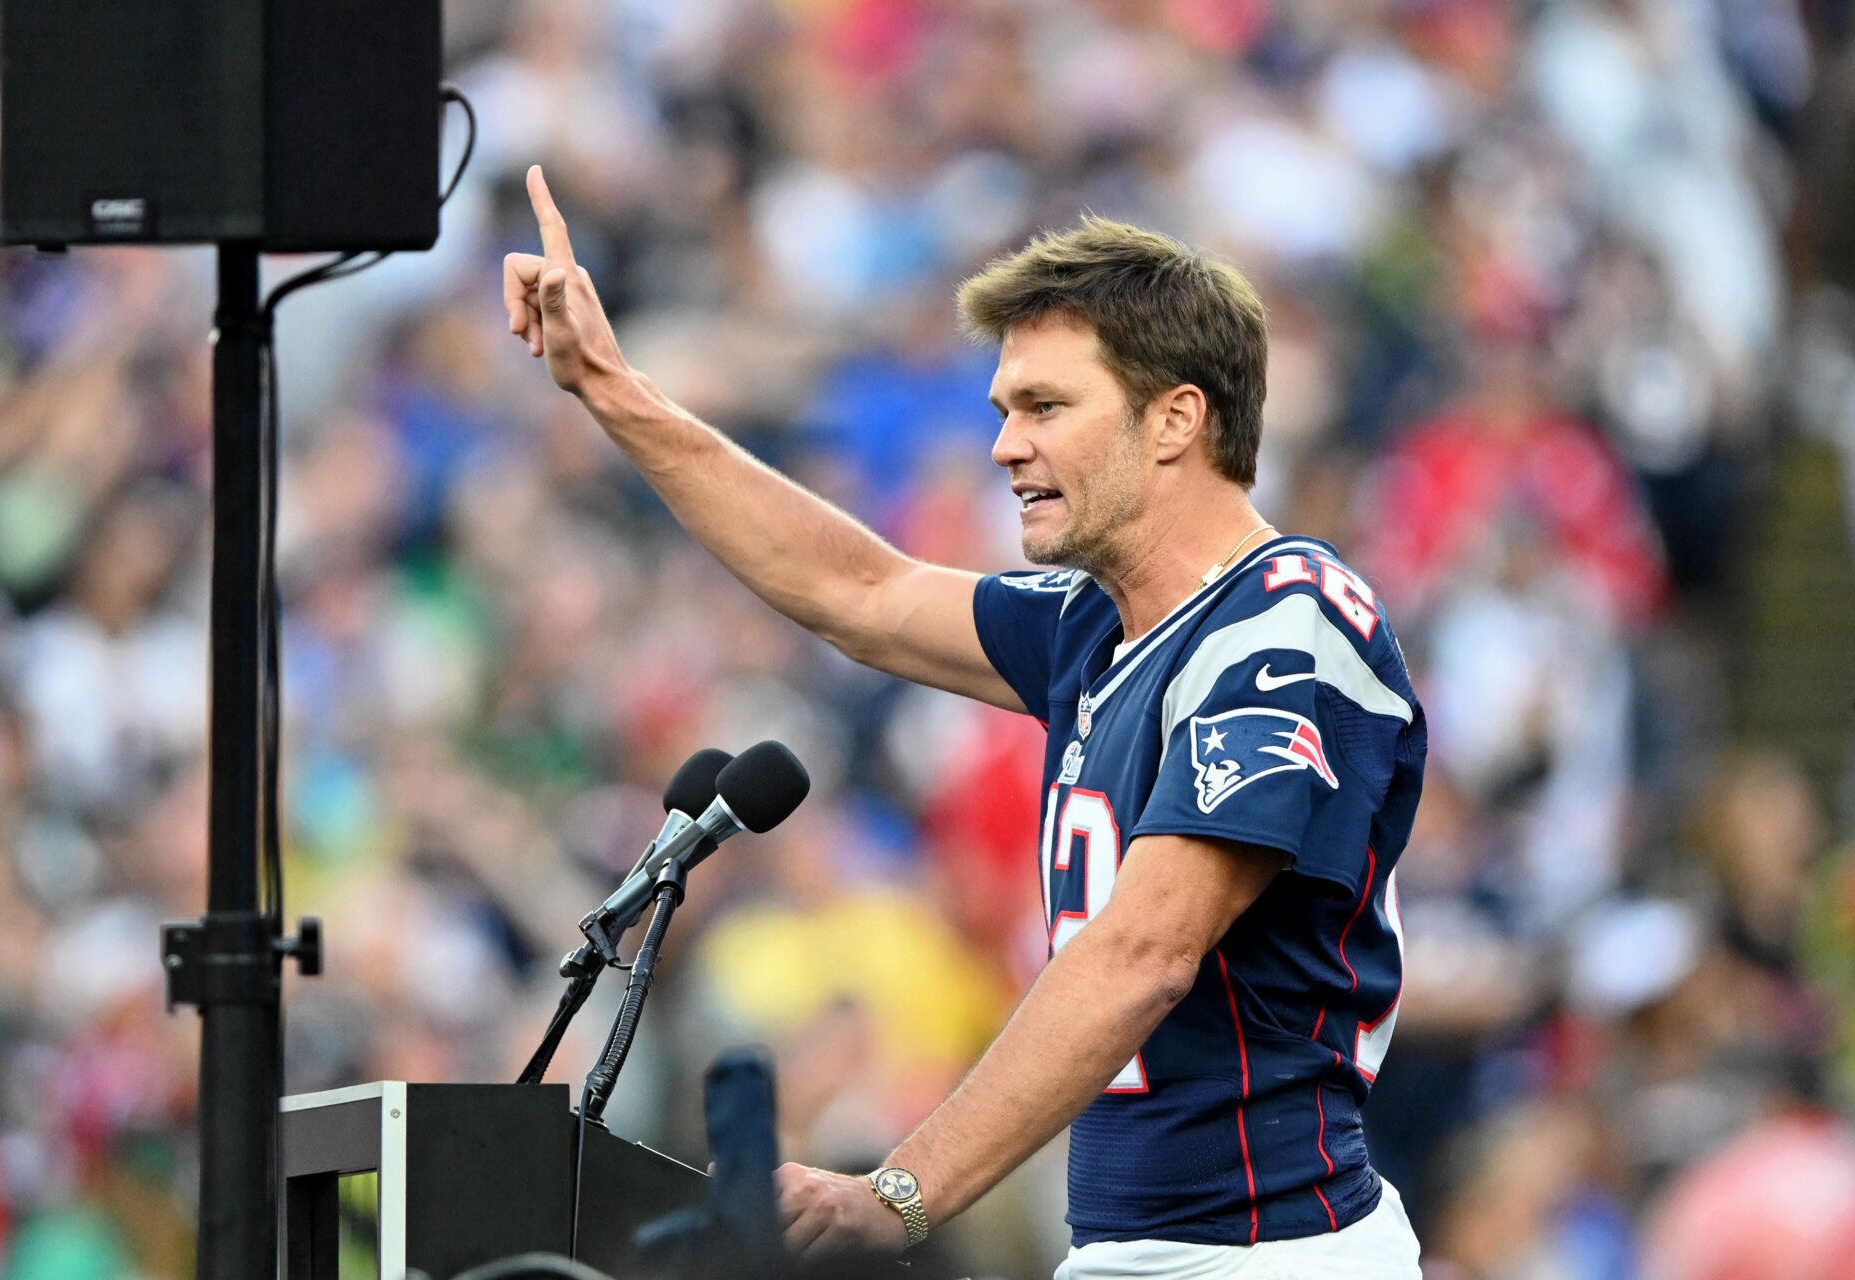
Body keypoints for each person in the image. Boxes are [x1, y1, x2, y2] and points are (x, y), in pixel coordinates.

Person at [504, 165, 1425, 1279]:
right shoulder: (1106, 621)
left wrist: (898, 1190)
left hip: (1272, 1250)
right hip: (1135, 1245)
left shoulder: (1288, 626)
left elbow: (1144, 953)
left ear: (1177, 416)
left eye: (1045, 406)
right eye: (1002, 410)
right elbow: (860, 592)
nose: (1004, 444)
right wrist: (609, 386)